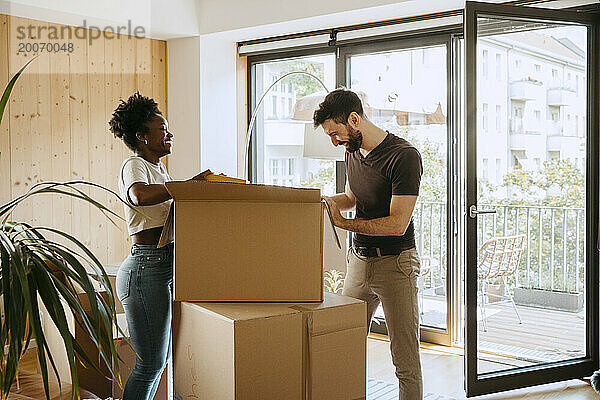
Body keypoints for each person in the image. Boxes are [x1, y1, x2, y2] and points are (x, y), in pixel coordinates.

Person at [316, 88, 423, 399]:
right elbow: (351, 198)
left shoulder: (403, 156)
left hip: (395, 264)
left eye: (336, 134)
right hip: (359, 262)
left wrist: (344, 224)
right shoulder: (352, 152)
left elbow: (396, 223)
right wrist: (315, 202)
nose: (335, 142)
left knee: (404, 358)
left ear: (354, 120)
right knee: (345, 345)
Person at [109, 92, 209, 399]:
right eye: (162, 129)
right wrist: (185, 187)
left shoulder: (161, 171)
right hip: (145, 269)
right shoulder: (134, 165)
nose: (170, 134)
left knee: (161, 360)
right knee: (150, 363)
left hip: (165, 265)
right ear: (142, 137)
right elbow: (138, 195)